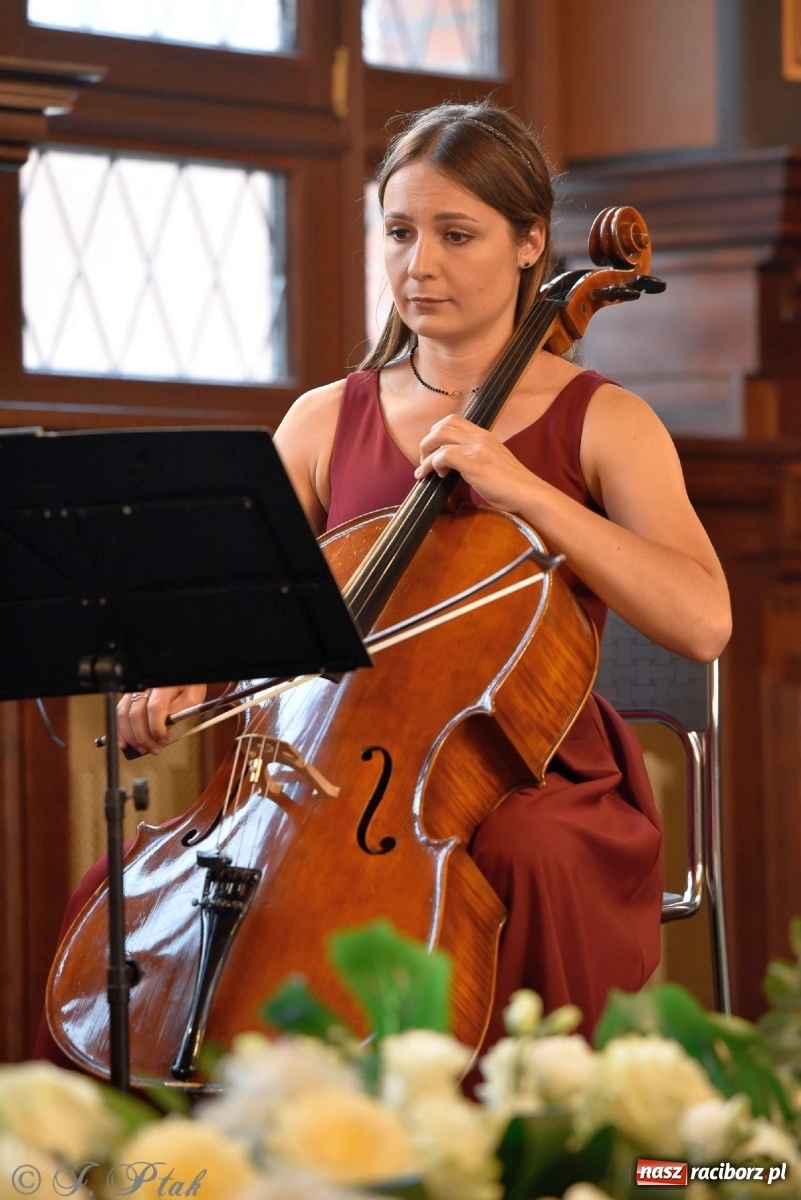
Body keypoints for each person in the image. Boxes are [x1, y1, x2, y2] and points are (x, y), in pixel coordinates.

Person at [37, 99, 731, 1064]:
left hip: (523, 766)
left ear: (531, 244)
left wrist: (525, 491)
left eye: (456, 235)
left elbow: (700, 621)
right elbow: (226, 614)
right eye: (400, 233)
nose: (420, 265)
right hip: (319, 766)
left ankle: (520, 1146)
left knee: (527, 858)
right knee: (126, 890)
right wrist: (182, 677)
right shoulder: (325, 418)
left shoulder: (604, 422)